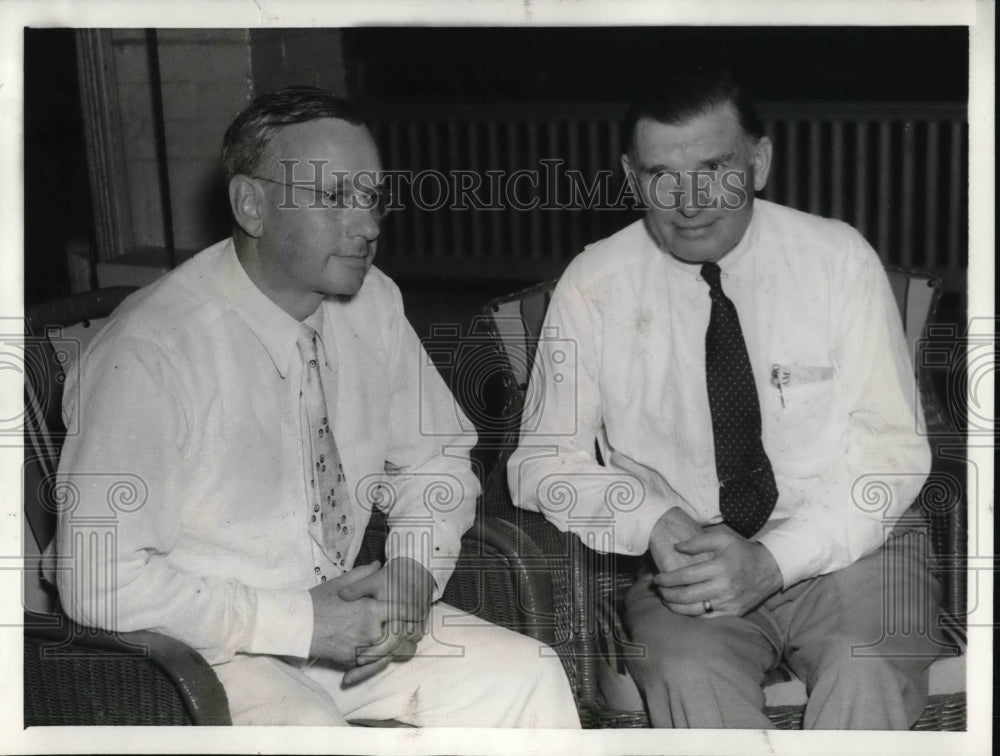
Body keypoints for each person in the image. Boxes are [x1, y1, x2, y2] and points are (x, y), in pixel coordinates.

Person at [51, 86, 580, 728]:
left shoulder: (372, 303)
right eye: (334, 199)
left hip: (341, 616)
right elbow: (96, 579)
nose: (369, 226)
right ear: (251, 205)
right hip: (193, 650)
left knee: (526, 676)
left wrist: (413, 571)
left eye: (371, 198)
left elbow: (437, 460)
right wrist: (301, 623)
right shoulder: (151, 350)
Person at [508, 69, 946, 729]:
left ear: (760, 162)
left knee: (866, 665)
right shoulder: (594, 283)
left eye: (715, 168)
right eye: (661, 175)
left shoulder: (836, 260)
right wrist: (652, 521)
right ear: (631, 178)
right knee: (690, 675)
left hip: (855, 546)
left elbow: (892, 454)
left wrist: (774, 561)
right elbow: (540, 464)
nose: (689, 201)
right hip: (692, 564)